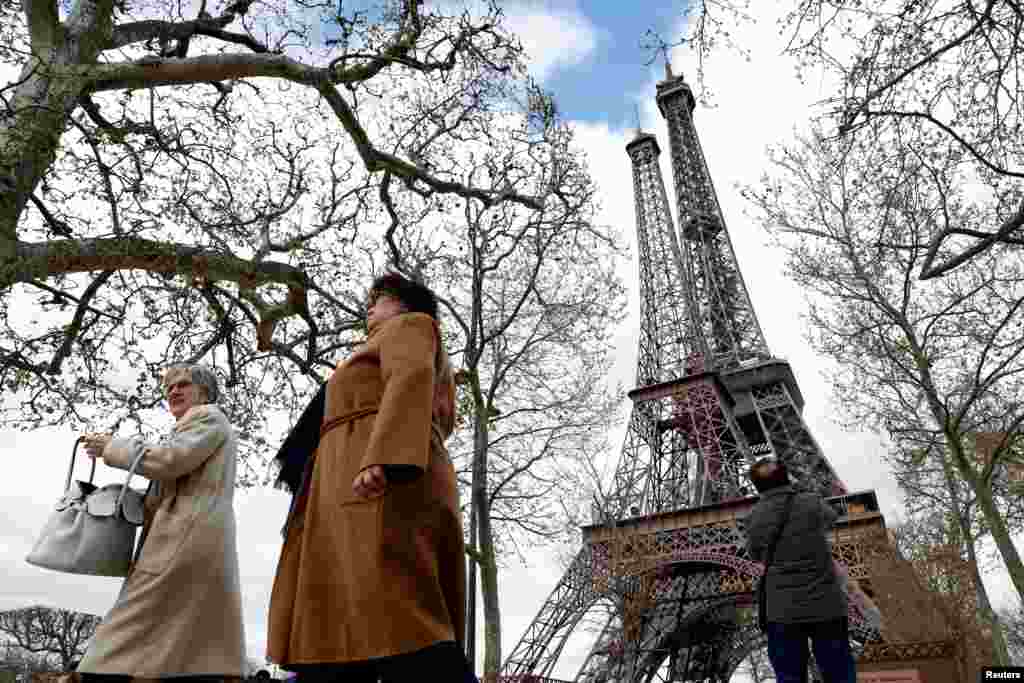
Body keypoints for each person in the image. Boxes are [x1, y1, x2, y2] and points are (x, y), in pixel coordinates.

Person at [267, 272, 473, 683]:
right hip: (346, 480)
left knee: (398, 611)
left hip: (378, 478)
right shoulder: (387, 343)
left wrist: (384, 456)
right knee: (346, 616)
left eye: (380, 298)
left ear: (407, 305)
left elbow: (410, 377)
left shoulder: (412, 326)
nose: (370, 306)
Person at [76, 363, 246, 682]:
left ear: (205, 391)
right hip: (194, 539)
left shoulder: (207, 416)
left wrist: (112, 447)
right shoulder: (201, 426)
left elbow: (169, 461)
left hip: (181, 541)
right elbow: (173, 476)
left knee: (113, 646)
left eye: (183, 384)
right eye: (169, 387)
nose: (174, 391)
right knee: (189, 645)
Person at [744, 456, 856, 683]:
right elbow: (832, 518)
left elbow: (754, 554)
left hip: (782, 612)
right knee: (839, 671)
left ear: (757, 487)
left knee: (789, 676)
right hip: (826, 605)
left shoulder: (754, 516)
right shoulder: (810, 502)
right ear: (786, 476)